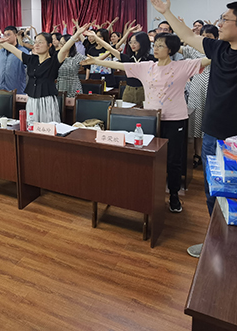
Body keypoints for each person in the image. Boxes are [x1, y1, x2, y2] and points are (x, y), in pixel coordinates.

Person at [150, 0, 237, 258]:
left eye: (225, 19)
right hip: (212, 135)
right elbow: (187, 36)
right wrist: (165, 13)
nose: (219, 24)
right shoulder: (219, 49)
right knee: (212, 191)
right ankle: (218, 242)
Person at [82, 32, 210, 214]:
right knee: (149, 157)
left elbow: (209, 58)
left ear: (170, 49)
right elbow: (120, 65)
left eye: (160, 45)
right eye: (155, 44)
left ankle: (174, 195)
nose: (155, 48)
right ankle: (149, 192)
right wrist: (97, 61)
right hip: (151, 119)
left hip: (175, 119)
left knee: (173, 160)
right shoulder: (147, 66)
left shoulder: (182, 66)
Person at [0, 26, 87, 122]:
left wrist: (77, 34)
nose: (36, 45)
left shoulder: (54, 60)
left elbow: (65, 48)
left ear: (49, 45)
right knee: (32, 125)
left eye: (40, 42)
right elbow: (13, 49)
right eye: (35, 42)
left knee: (47, 125)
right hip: (31, 100)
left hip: (47, 100)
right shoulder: (31, 59)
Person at [180, 24, 219, 168]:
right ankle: (197, 154)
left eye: (209, 37)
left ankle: (214, 155)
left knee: (213, 122)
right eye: (203, 36)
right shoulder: (194, 50)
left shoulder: (220, 50)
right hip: (197, 89)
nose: (205, 39)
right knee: (196, 122)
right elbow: (178, 48)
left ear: (216, 38)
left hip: (215, 89)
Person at [85, 25, 154, 106]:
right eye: (130, 42)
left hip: (145, 91)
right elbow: (109, 48)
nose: (132, 45)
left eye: (135, 42)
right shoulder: (128, 58)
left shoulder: (151, 59)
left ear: (142, 42)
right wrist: (95, 37)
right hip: (129, 91)